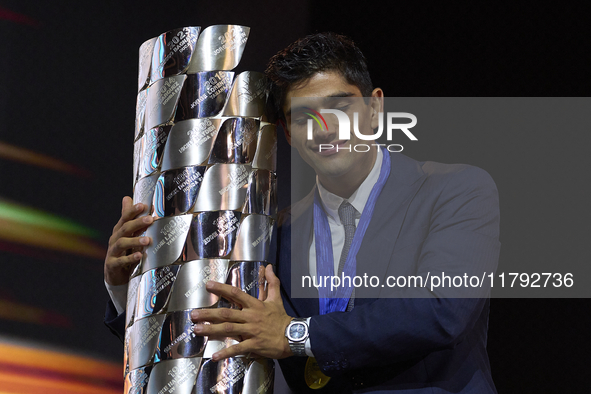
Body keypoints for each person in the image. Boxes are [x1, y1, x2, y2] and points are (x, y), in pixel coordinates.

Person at [105, 32, 500, 393]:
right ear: (288, 132)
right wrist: (129, 284)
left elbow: (442, 308)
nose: (325, 128)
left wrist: (295, 334)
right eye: (303, 116)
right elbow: (205, 331)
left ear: (375, 107)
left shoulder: (455, 191)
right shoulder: (270, 233)